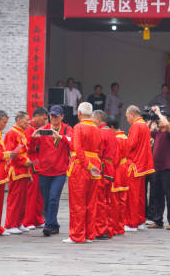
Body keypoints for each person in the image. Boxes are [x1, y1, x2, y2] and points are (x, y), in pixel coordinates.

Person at [64, 102, 102, 244]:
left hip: (81, 166)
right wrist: (93, 165)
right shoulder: (97, 129)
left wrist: (87, 165)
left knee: (77, 202)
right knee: (91, 202)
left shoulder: (78, 127)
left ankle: (77, 235)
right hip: (95, 164)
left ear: (79, 114)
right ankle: (89, 234)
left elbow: (78, 149)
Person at [31, 105, 71, 237]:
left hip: (59, 171)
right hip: (44, 171)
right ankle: (53, 224)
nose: (53, 118)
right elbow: (30, 149)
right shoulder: (43, 130)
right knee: (46, 199)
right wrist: (33, 137)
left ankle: (48, 225)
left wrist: (61, 137)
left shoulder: (67, 129)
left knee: (54, 197)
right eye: (52, 116)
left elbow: (73, 143)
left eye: (56, 116)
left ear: (62, 117)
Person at [124, 105, 155, 231]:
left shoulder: (136, 126)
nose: (127, 120)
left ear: (131, 114)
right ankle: (140, 220)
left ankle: (132, 223)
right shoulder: (144, 126)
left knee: (132, 195)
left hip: (134, 164)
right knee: (141, 195)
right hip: (142, 165)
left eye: (127, 117)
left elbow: (130, 144)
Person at [147, 107, 170, 230]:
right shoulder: (157, 133)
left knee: (169, 196)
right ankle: (158, 220)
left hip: (167, 169)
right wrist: (151, 118)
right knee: (157, 195)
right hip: (156, 169)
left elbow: (167, 124)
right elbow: (146, 130)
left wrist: (159, 112)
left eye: (161, 120)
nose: (159, 121)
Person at [4, 111, 33, 235]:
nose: (28, 122)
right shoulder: (12, 133)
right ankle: (11, 224)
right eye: (26, 119)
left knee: (22, 199)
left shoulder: (22, 133)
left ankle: (19, 222)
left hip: (24, 170)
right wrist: (24, 161)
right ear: (19, 120)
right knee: (15, 199)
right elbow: (11, 152)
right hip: (16, 170)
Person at [92, 110, 116, 239]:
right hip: (110, 168)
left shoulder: (100, 133)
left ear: (98, 119)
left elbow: (98, 151)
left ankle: (101, 230)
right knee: (108, 200)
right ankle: (109, 228)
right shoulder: (111, 132)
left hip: (102, 168)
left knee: (100, 201)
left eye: (92, 119)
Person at [24, 107, 48, 230]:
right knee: (31, 194)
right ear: (37, 116)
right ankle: (28, 220)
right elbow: (27, 146)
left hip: (39, 164)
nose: (45, 121)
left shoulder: (38, 128)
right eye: (44, 118)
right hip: (32, 162)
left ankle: (38, 219)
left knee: (39, 195)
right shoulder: (29, 128)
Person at [108, 117, 128, 236]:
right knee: (122, 201)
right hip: (124, 169)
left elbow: (115, 159)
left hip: (117, 171)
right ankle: (120, 227)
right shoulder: (125, 137)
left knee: (114, 202)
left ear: (111, 127)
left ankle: (114, 228)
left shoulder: (116, 139)